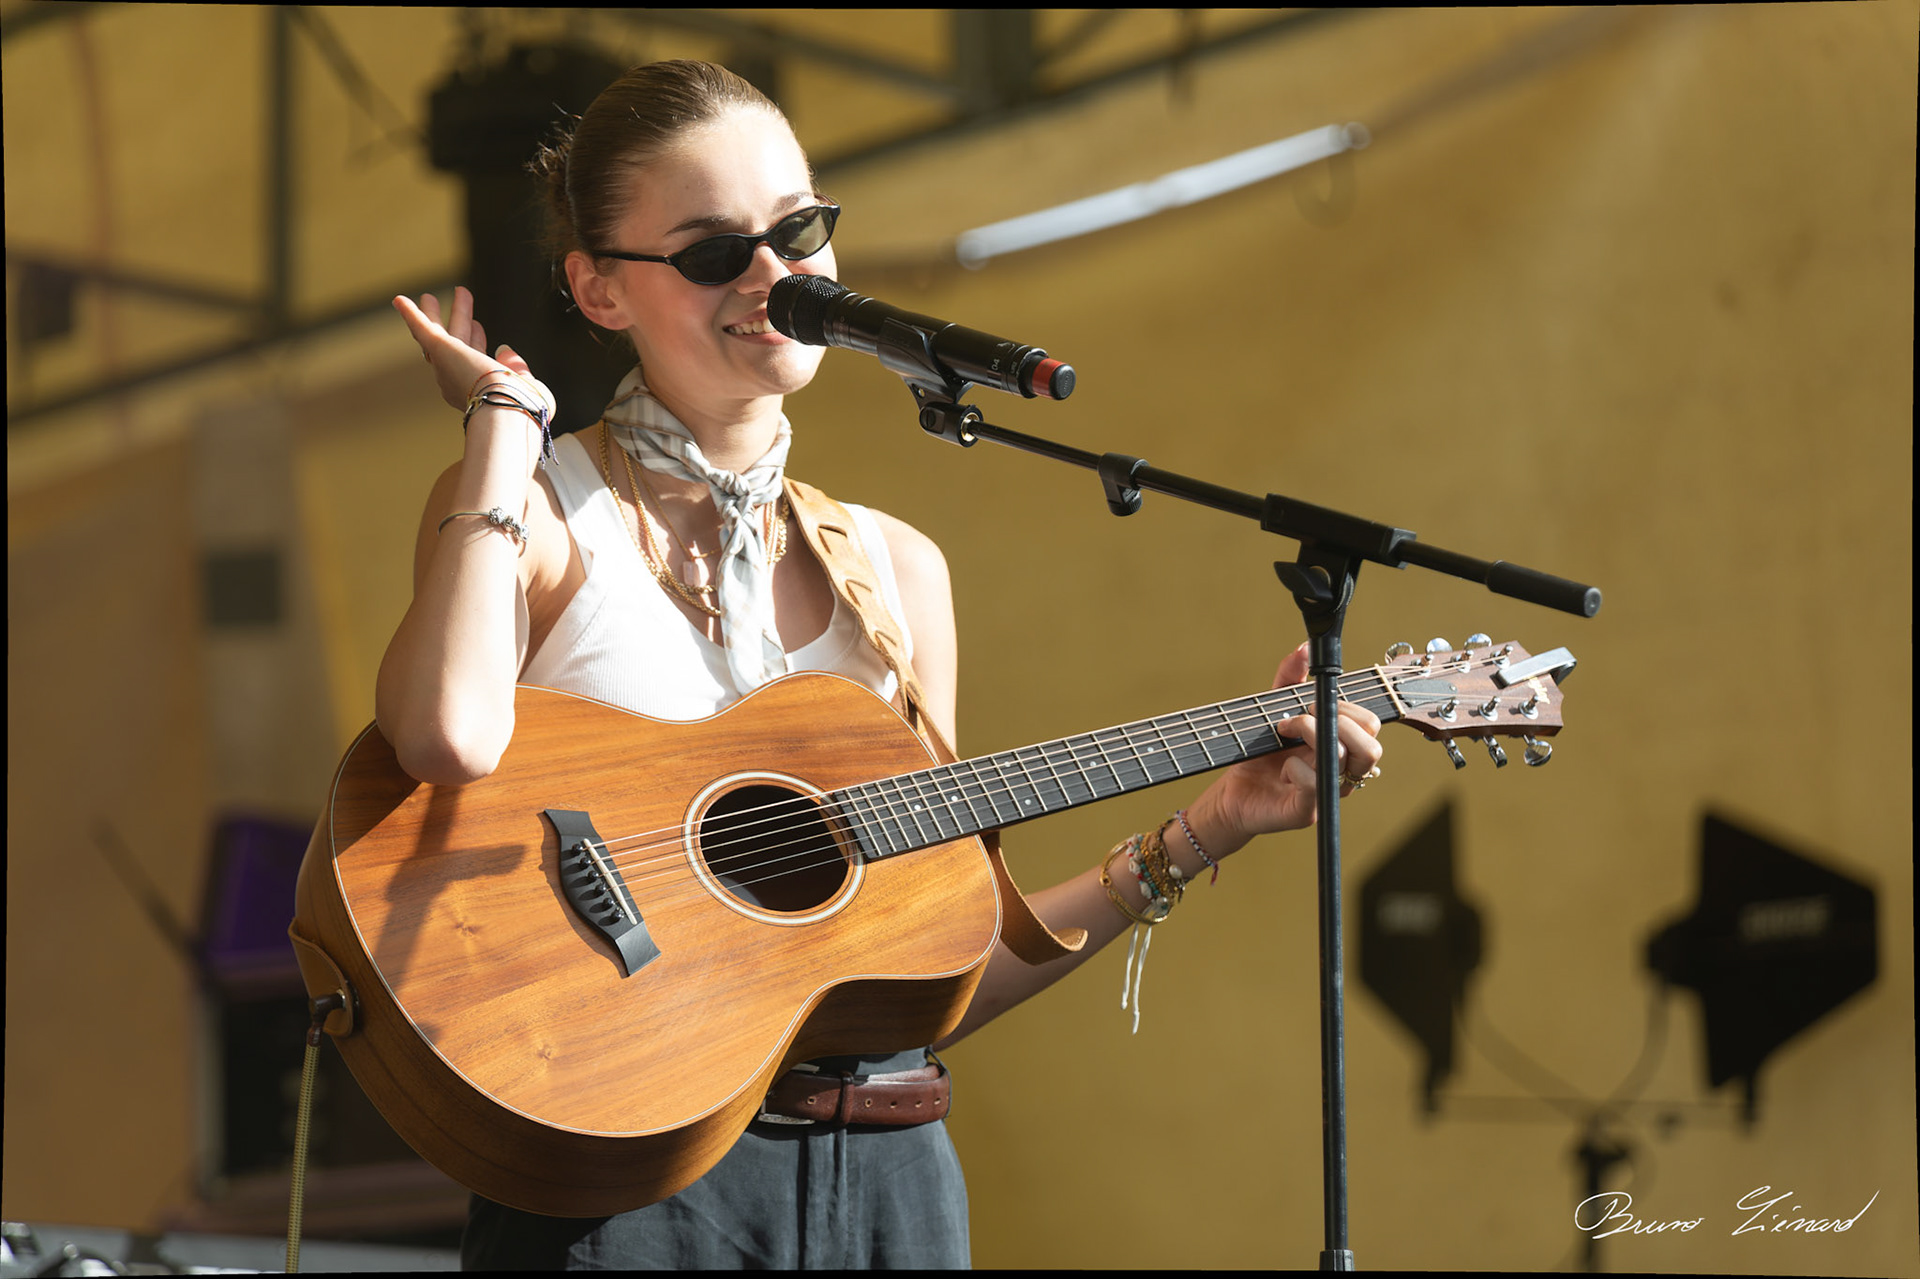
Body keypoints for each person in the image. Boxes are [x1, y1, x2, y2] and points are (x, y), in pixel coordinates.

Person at [378, 59, 1385, 1271]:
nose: (772, 276)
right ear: (598, 288)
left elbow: (940, 973)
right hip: (623, 1188)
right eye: (714, 251)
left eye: (798, 232)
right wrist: (501, 428)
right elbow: (442, 736)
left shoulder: (897, 569)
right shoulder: (535, 509)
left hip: (892, 1178)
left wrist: (1210, 825)